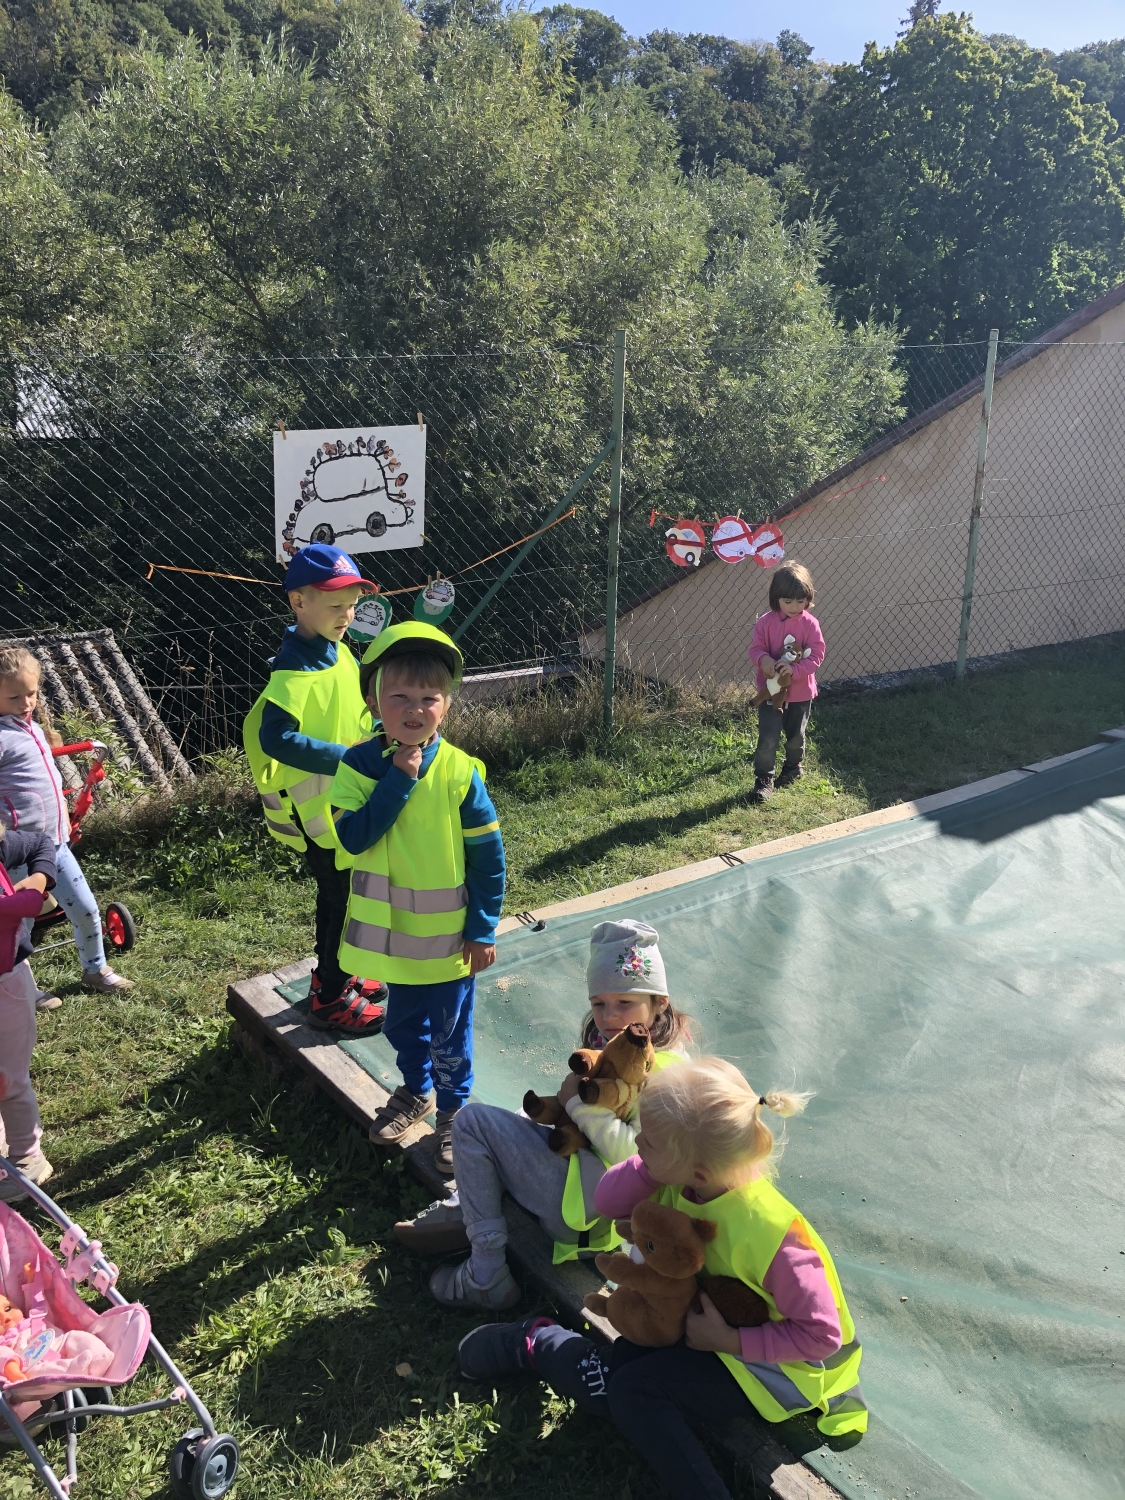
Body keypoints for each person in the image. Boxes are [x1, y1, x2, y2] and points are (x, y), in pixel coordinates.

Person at [456, 1056, 867, 1500]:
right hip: (694, 1329)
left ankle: (540, 1344)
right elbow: (608, 1202)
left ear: (698, 1171)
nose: (636, 1143)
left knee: (632, 1392)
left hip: (770, 1368)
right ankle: (539, 1342)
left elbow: (823, 1336)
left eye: (648, 1141)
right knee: (615, 1382)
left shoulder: (776, 1239)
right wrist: (649, 1165)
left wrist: (730, 1341)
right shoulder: (681, 1180)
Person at [395, 919, 690, 1313]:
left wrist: (575, 1103)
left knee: (472, 1123)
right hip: (586, 1202)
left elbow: (636, 1158)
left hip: (588, 1213)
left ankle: (484, 1268)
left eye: (624, 1003)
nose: (609, 1017)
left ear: (659, 1003)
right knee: (517, 1121)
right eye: (598, 1003)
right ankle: (473, 1202)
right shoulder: (620, 1050)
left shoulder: (665, 1075)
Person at [330, 622, 506, 1175]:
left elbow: (488, 858)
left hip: (450, 943)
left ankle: (454, 1111)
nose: (414, 710)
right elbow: (352, 837)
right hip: (394, 943)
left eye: (429, 698)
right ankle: (415, 1091)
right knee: (402, 1026)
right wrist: (397, 781)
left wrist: (482, 928)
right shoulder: (357, 766)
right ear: (372, 701)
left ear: (446, 706)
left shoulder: (460, 773)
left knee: (450, 1032)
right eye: (399, 697)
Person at [244, 543, 388, 1035]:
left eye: (352, 605)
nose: (347, 615)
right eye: (336, 605)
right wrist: (346, 756)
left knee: (343, 894)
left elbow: (351, 710)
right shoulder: (294, 667)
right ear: (299, 602)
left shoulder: (337, 650)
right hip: (318, 814)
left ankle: (336, 972)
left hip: (342, 803)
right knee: (341, 899)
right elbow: (276, 737)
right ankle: (330, 998)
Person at [0, 646, 132, 1001]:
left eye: (32, 693)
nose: (27, 702)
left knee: (86, 909)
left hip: (55, 844)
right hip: (16, 852)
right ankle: (24, 991)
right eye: (15, 697)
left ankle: (95, 970)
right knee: (18, 925)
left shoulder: (33, 728)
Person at [0, 818, 59, 1200]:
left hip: (5, 984)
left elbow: (40, 843)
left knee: (7, 1079)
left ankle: (27, 1159)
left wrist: (39, 879)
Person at [747, 561, 825, 803]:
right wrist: (764, 660)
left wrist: (795, 669)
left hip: (801, 693)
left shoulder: (810, 624)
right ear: (776, 598)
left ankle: (792, 767)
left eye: (800, 601)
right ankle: (764, 779)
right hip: (771, 692)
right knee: (768, 737)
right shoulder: (765, 623)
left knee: (795, 736)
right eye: (788, 601)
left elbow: (817, 655)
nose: (794, 607)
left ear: (808, 599)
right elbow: (756, 650)